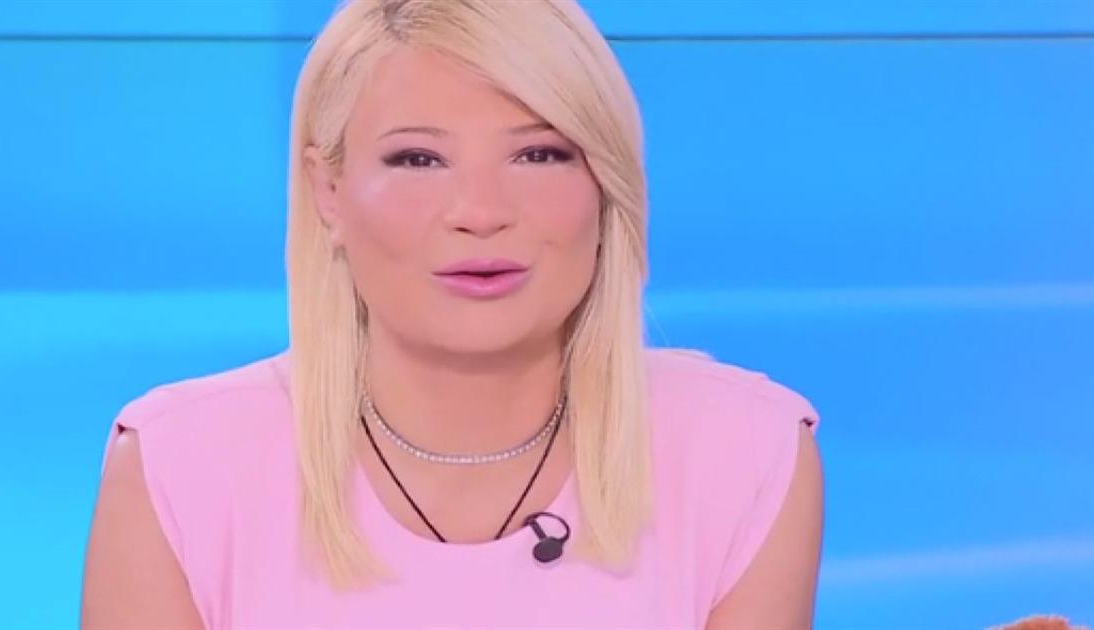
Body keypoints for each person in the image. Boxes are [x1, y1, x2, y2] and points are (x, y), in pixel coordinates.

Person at [80, 0, 824, 628]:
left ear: (606, 184)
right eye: (418, 160)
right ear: (328, 192)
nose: (481, 211)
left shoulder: (746, 452)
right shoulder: (180, 465)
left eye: (539, 155)